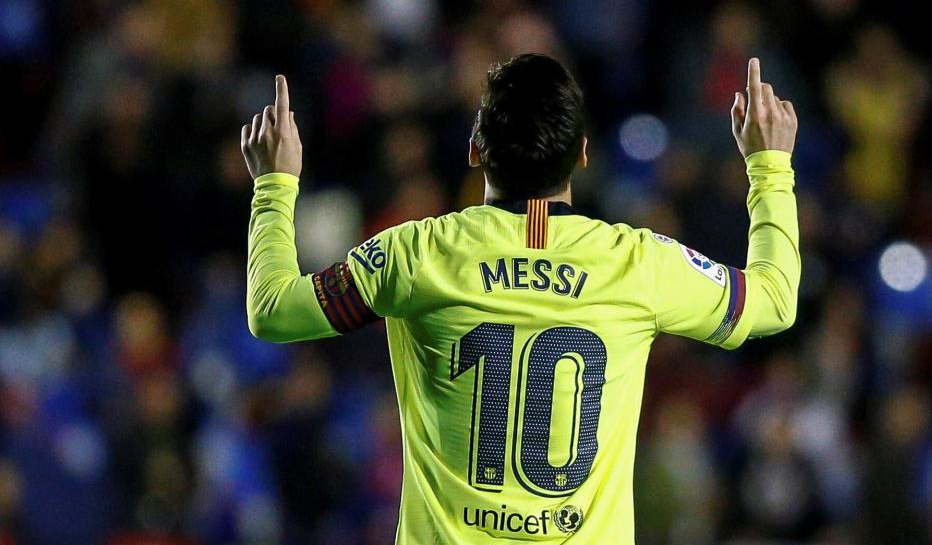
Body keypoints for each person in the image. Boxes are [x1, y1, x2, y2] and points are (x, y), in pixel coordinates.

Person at [241, 53, 800, 543]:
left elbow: (273, 310)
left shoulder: (419, 254)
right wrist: (769, 168)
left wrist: (274, 184)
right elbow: (774, 300)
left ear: (474, 151)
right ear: (582, 154)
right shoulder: (637, 265)